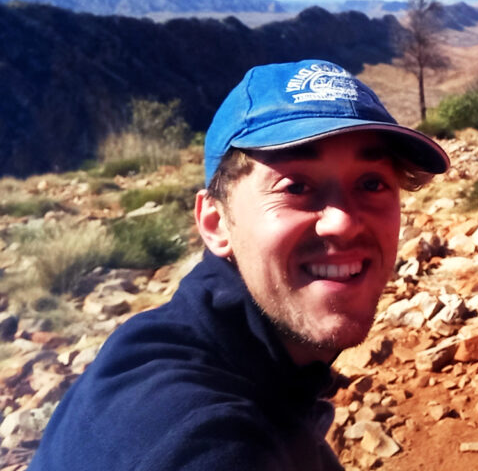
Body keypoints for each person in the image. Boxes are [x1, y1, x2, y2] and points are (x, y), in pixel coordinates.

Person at [29, 60, 449, 470]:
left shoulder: (222, 349)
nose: (342, 221)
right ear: (215, 223)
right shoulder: (203, 437)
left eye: (372, 183)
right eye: (296, 187)